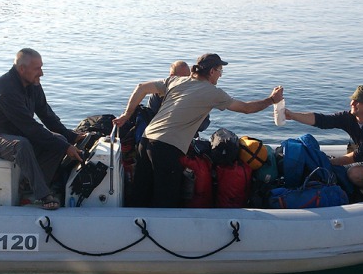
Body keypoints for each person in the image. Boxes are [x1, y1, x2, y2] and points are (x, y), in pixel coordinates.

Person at [112, 53, 284, 208]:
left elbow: (141, 87)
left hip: (146, 140)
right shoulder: (213, 93)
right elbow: (246, 108)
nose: (220, 75)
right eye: (220, 71)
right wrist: (271, 100)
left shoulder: (175, 80)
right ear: (211, 71)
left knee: (140, 191)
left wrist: (126, 115)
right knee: (166, 198)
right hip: (167, 147)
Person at [0, 48, 84, 210]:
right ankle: (43, 195)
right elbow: (30, 128)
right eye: (37, 69)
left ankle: (32, 185)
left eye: (41, 67)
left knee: (59, 140)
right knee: (22, 145)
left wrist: (70, 137)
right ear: (22, 69)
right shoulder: (5, 91)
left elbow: (47, 115)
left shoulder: (32, 83)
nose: (42, 73)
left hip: (15, 130)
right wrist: (66, 148)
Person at [284, 85, 363, 190]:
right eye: (352, 100)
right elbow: (323, 120)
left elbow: (361, 154)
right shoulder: (349, 117)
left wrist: (331, 162)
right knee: (353, 174)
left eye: (357, 101)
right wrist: (293, 115)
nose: (352, 104)